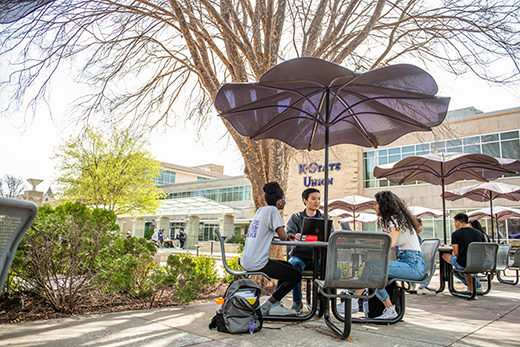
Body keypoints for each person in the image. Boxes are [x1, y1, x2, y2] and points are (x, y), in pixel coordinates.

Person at [240, 181, 302, 316]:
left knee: (288, 266)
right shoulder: (273, 211)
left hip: (247, 259)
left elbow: (265, 233)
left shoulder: (261, 210)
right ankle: (268, 305)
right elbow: (283, 237)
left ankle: (275, 303)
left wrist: (281, 236)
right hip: (258, 263)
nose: (285, 201)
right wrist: (288, 236)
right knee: (296, 275)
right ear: (279, 202)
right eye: (284, 199)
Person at [366, 191, 426, 319]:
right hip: (408, 261)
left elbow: (390, 242)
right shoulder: (393, 220)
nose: (375, 206)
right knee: (371, 271)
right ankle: (355, 301)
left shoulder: (395, 219)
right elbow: (380, 238)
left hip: (413, 265)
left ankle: (389, 309)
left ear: (384, 204)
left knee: (371, 268)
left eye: (376, 204)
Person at [286, 187, 334, 314]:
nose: (317, 201)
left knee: (329, 267)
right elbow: (288, 235)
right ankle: (297, 303)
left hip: (319, 257)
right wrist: (294, 236)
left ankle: (320, 300)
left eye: (318, 199)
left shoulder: (325, 219)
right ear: (305, 200)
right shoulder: (296, 218)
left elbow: (332, 236)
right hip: (300, 256)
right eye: (313, 199)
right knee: (293, 265)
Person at [442, 213, 486, 293]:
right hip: (479, 263)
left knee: (445, 255)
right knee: (458, 270)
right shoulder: (479, 233)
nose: (455, 225)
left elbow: (456, 253)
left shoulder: (456, 234)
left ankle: (474, 287)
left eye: (454, 223)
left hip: (464, 263)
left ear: (458, 222)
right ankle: (474, 286)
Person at [414, 218, 436, 296]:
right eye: (420, 226)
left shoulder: (412, 235)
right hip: (414, 262)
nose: (421, 228)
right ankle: (422, 287)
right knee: (432, 265)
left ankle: (413, 286)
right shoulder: (414, 237)